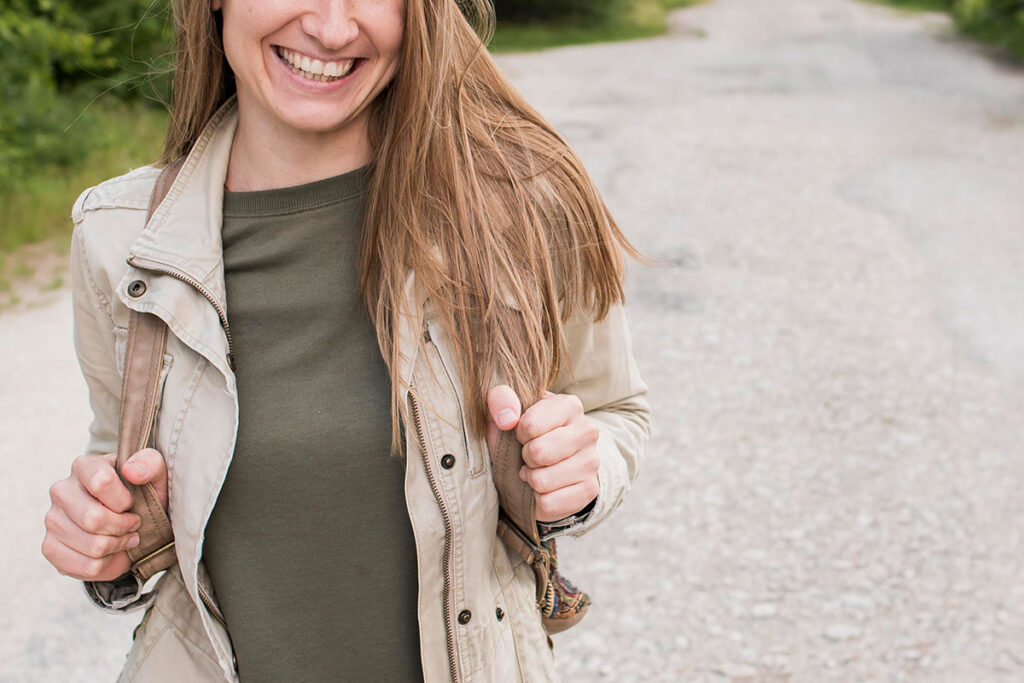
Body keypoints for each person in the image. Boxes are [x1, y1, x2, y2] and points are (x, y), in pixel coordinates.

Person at [41, 0, 650, 680]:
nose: (332, 27)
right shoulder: (117, 239)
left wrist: (583, 470)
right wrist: (103, 531)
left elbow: (615, 412)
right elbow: (118, 462)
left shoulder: (523, 200)